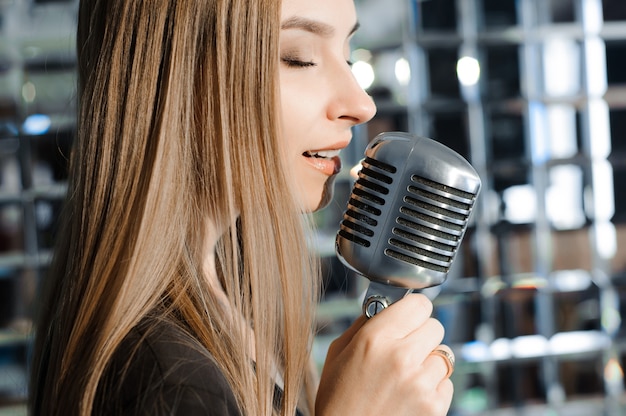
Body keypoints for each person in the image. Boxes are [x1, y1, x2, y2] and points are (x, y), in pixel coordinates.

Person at [29, 0, 455, 414]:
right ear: (173, 74)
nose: (362, 105)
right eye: (299, 58)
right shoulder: (172, 387)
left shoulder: (231, 297)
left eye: (346, 56)